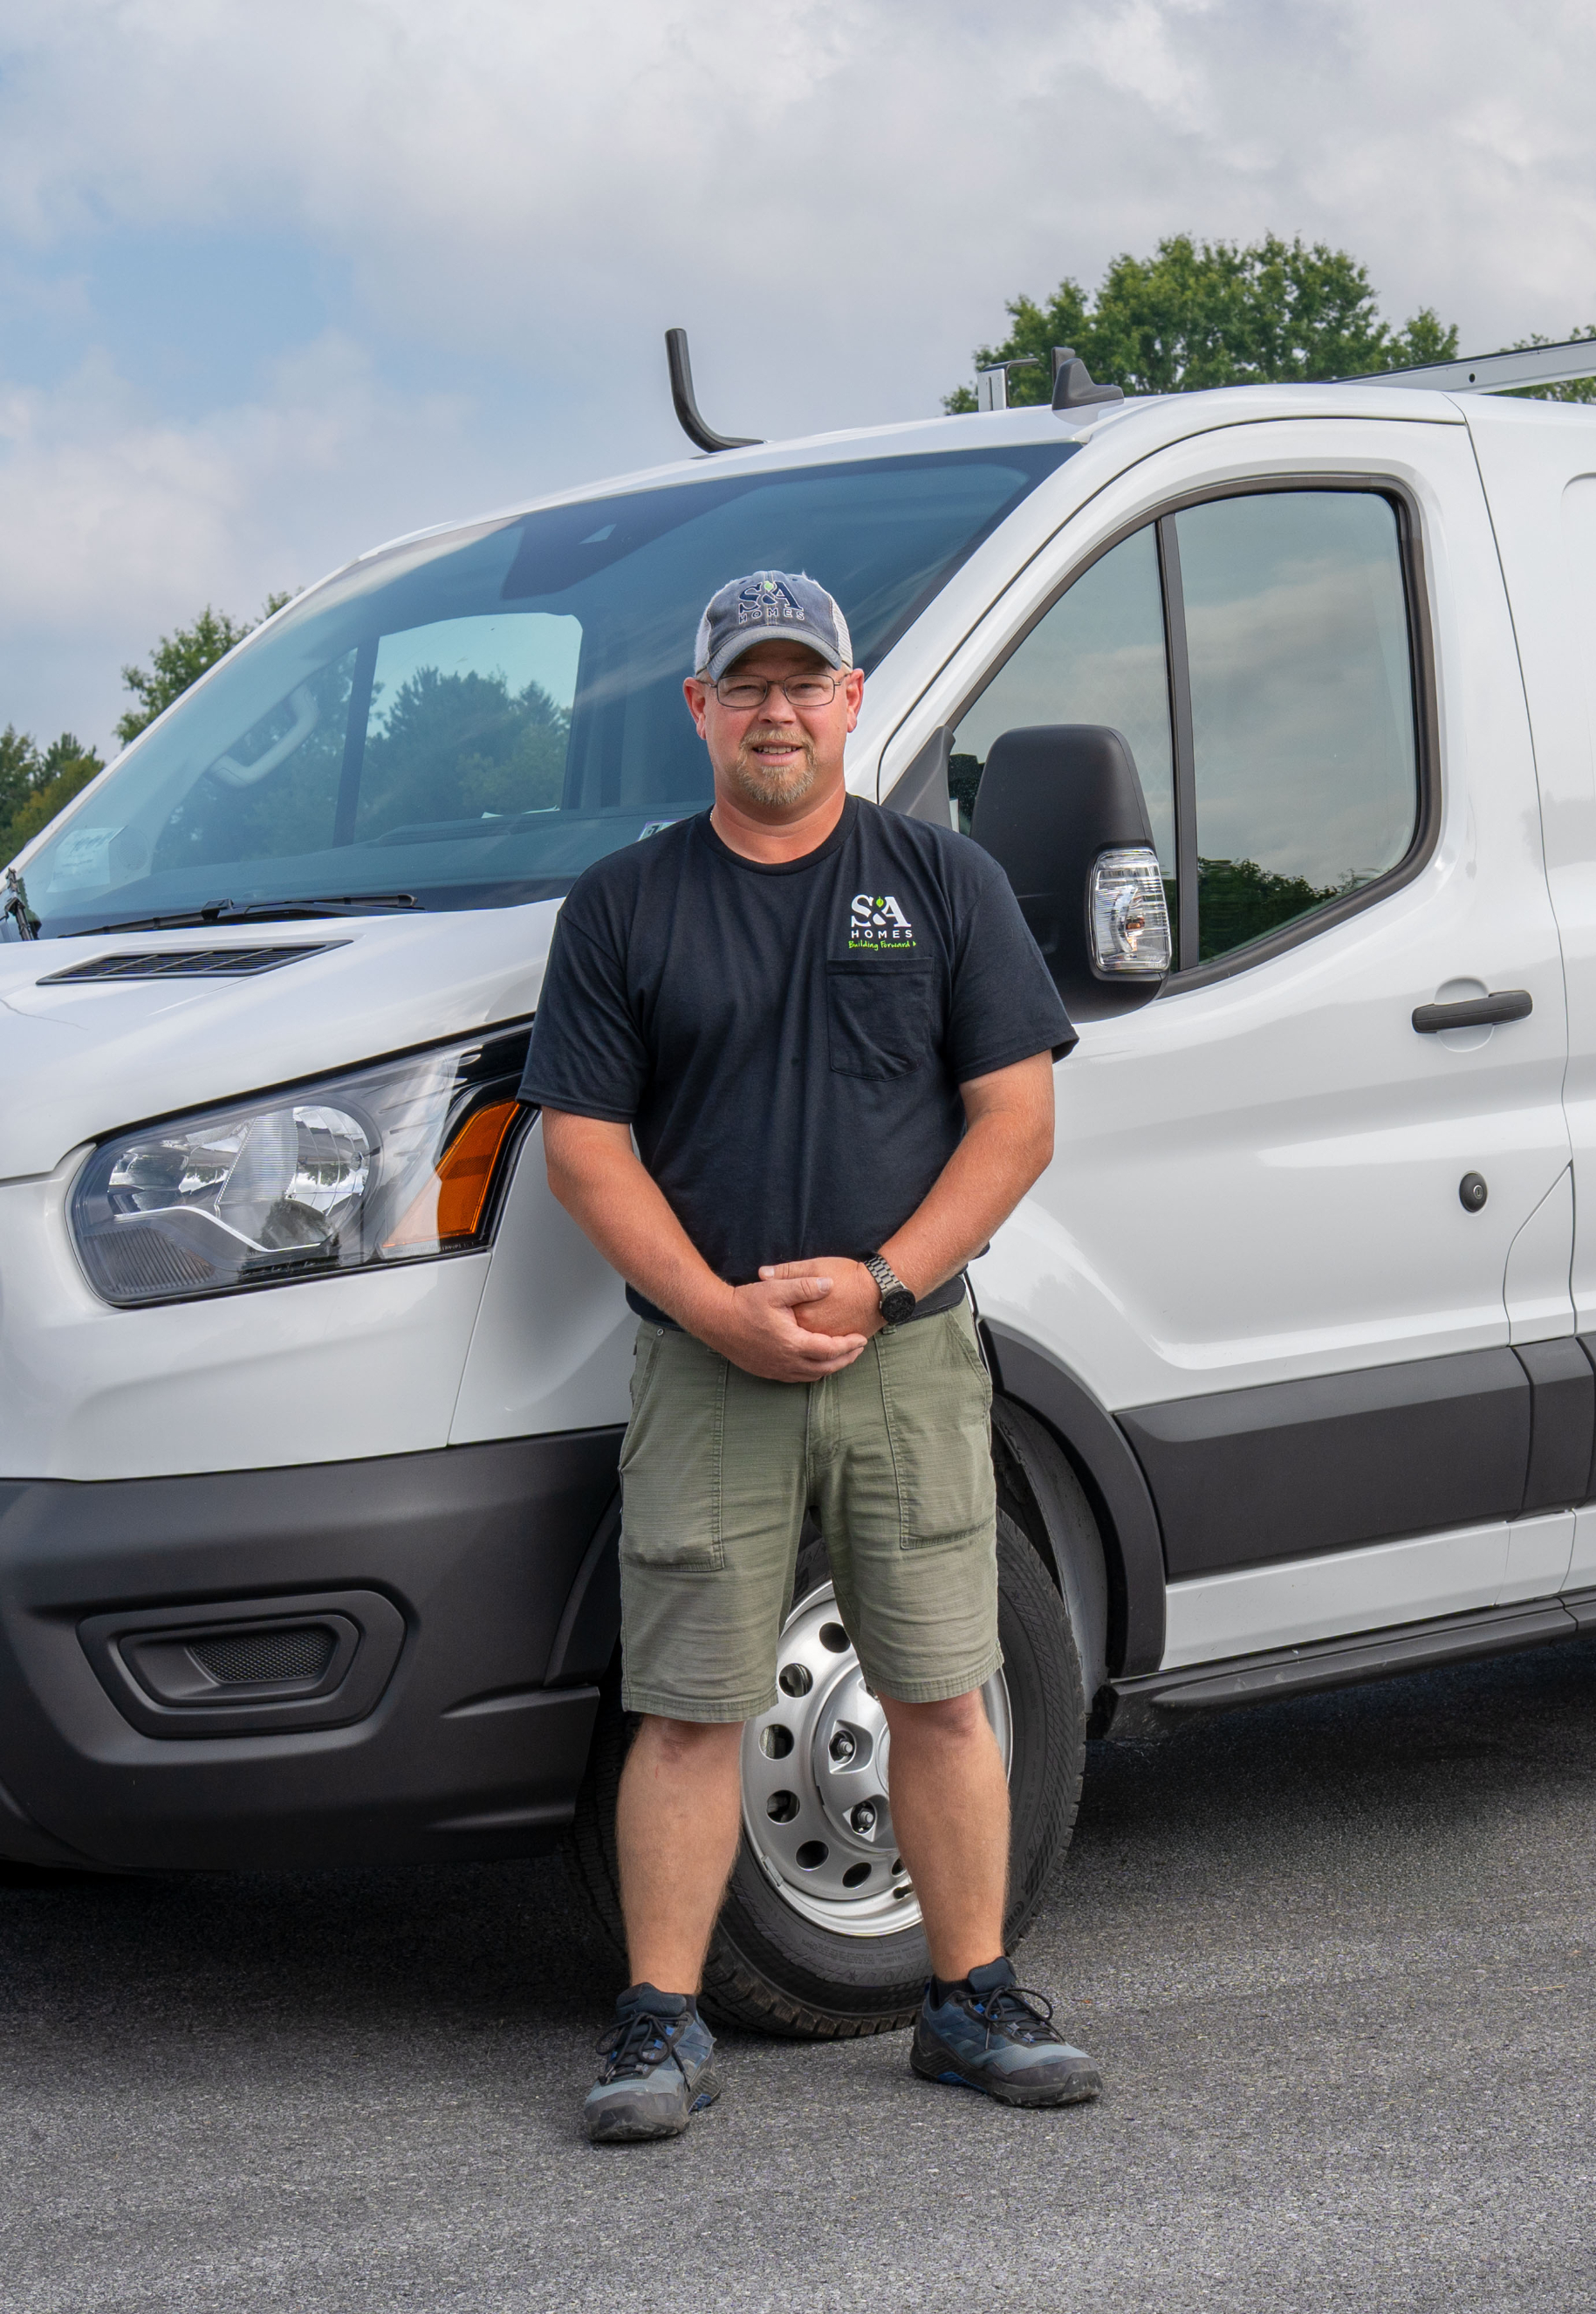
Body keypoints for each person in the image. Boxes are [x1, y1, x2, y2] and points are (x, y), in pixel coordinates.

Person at [524, 569, 1104, 2145]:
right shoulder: (625, 905)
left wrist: (887, 1282)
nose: (777, 710)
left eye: (806, 683)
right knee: (691, 1704)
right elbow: (584, 1151)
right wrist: (716, 1310)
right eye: (746, 685)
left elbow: (1017, 1119)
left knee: (937, 1682)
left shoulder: (941, 880)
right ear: (699, 710)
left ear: (852, 703)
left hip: (906, 1358)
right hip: (704, 1372)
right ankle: (658, 2025)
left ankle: (970, 1999)